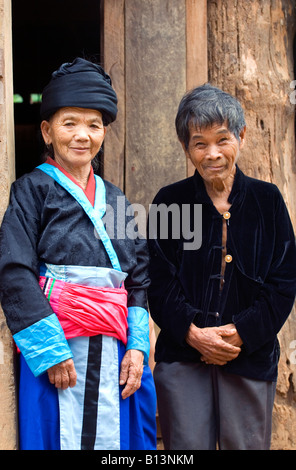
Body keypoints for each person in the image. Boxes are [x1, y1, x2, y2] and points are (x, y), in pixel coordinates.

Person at [0, 57, 156, 450]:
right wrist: (49, 351)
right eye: (70, 123)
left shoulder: (116, 199)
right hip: (56, 348)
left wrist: (137, 346)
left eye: (94, 125)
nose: (82, 135)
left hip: (116, 353)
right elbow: (15, 269)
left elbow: (138, 277)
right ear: (46, 131)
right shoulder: (30, 191)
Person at [147, 84, 296, 450]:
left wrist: (241, 332)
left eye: (222, 140)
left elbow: (284, 281)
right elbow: (158, 281)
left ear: (241, 137)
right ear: (186, 148)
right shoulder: (171, 202)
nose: (212, 153)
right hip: (183, 356)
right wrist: (194, 333)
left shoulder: (267, 200)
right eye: (199, 143)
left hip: (248, 356)